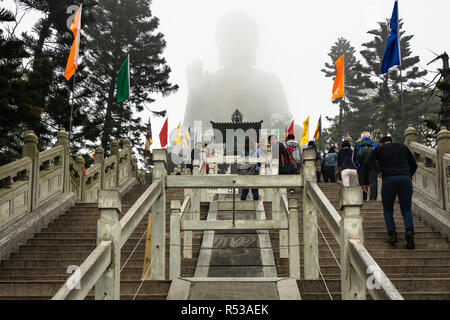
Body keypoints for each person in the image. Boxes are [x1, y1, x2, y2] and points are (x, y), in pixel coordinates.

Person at [363, 136, 418, 249]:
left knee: (388, 209)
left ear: (381, 143)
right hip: (405, 179)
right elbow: (414, 165)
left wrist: (365, 182)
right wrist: (407, 175)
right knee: (406, 209)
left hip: (389, 180)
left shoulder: (379, 149)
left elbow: (366, 164)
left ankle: (392, 234)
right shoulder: (403, 147)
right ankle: (409, 232)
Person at [354, 131, 379, 201]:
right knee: (373, 182)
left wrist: (357, 166)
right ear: (369, 137)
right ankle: (373, 199)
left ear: (361, 138)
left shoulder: (358, 144)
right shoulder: (374, 144)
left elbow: (355, 158)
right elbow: (378, 157)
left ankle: (363, 199)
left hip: (362, 167)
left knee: (362, 182)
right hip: (372, 166)